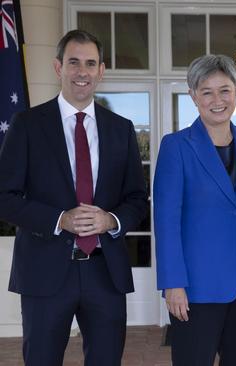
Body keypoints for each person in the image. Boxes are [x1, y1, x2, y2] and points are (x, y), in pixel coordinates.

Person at [0, 30, 148, 365]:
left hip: (104, 273)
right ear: (58, 67)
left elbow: (137, 198)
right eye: (74, 62)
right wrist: (59, 220)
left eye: (90, 63)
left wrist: (111, 219)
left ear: (101, 71)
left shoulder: (121, 129)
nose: (82, 71)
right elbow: (4, 196)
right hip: (44, 273)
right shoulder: (26, 124)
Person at [154, 54, 236, 366]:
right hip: (196, 286)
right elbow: (166, 221)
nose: (217, 100)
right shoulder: (176, 146)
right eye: (206, 92)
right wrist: (172, 283)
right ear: (193, 96)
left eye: (225, 90)